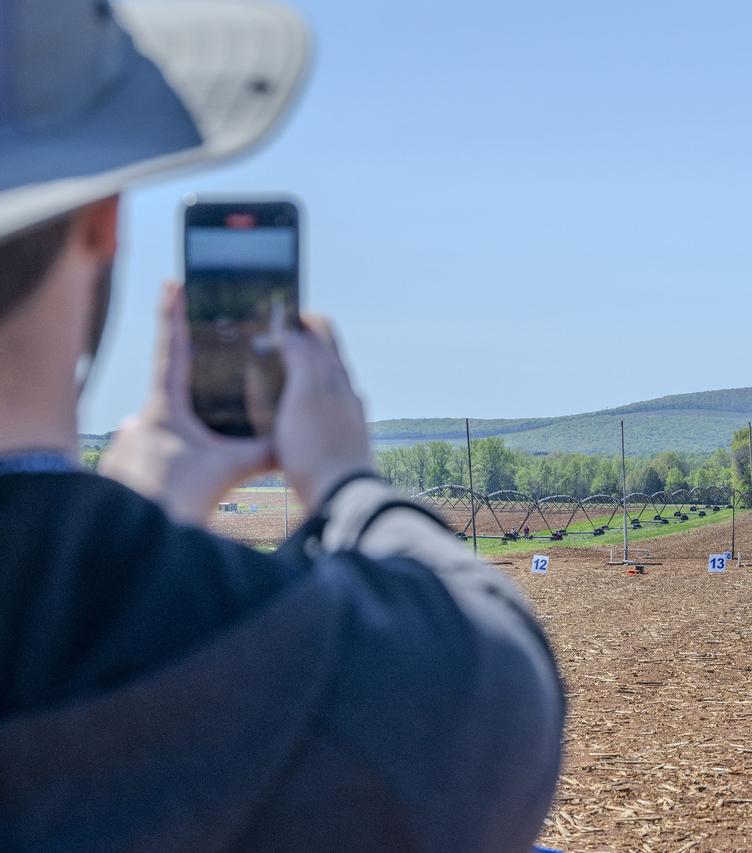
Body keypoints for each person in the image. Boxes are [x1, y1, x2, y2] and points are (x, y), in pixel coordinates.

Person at [0, 1, 564, 851]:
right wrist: (347, 483)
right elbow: (498, 698)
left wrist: (131, 506)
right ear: (103, 216)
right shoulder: (306, 668)